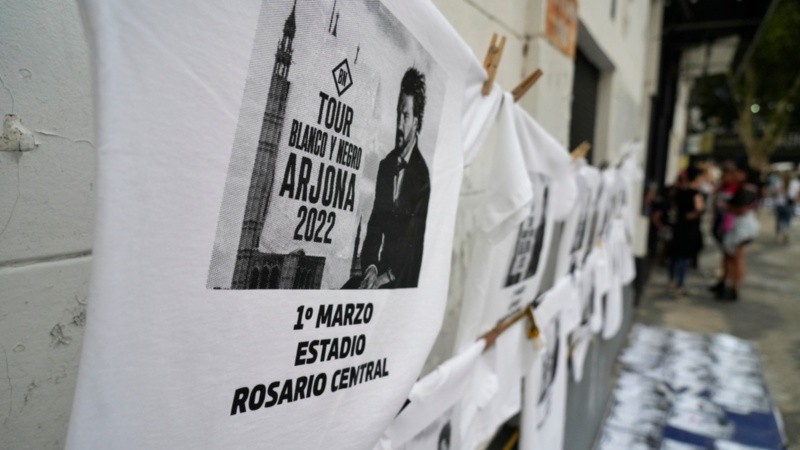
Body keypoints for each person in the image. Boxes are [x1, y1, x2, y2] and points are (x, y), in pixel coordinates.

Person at [357, 68, 430, 289]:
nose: (399, 124)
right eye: (398, 113)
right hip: (379, 275)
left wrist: (387, 277)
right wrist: (371, 268)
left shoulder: (423, 178)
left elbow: (414, 247)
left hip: (403, 282)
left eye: (405, 116)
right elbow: (375, 225)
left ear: (416, 121)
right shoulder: (386, 166)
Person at [668, 166, 705, 297]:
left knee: (675, 255)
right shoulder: (696, 194)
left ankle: (672, 280)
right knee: (683, 257)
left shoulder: (679, 191)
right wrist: (696, 213)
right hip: (689, 228)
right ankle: (680, 284)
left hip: (678, 226)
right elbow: (698, 210)